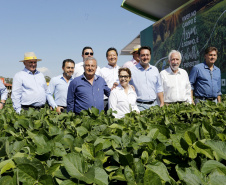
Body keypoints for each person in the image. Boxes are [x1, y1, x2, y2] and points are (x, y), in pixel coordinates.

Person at [130, 46, 164, 111]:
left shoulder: (155, 70)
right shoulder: (132, 71)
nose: (145, 57)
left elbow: (159, 88)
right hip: (139, 106)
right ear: (139, 56)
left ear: (150, 56)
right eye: (143, 55)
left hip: (155, 105)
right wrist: (116, 84)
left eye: (147, 55)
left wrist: (162, 103)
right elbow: (123, 83)